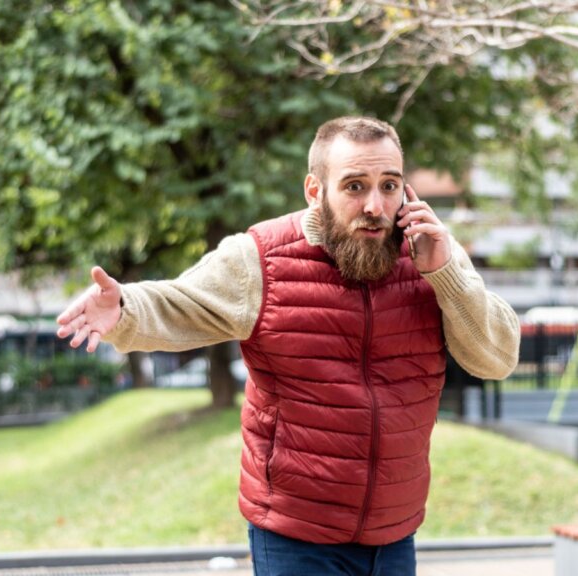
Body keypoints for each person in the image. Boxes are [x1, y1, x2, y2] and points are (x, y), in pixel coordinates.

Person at [56, 116, 520, 575]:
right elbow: (180, 302)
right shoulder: (263, 259)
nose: (376, 205)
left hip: (395, 535)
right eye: (355, 186)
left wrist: (445, 274)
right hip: (297, 537)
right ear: (315, 191)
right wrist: (123, 309)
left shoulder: (432, 254)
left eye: (389, 185)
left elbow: (497, 358)